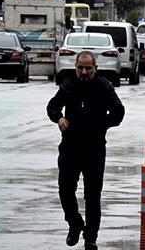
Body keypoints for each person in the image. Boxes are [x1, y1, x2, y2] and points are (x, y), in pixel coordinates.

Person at [46, 50, 126, 250]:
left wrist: (103, 124)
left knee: (92, 196)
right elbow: (52, 107)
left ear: (95, 68)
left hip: (94, 148)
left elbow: (118, 111)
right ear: (75, 68)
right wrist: (59, 118)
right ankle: (75, 223)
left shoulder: (104, 87)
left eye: (88, 68)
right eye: (80, 68)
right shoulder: (68, 86)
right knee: (65, 190)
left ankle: (91, 238)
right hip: (70, 147)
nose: (83, 72)